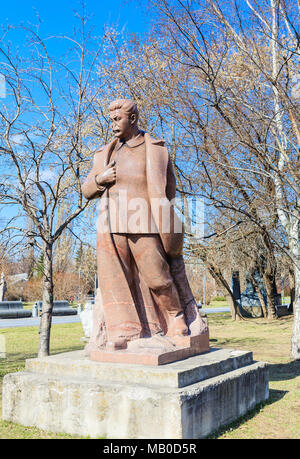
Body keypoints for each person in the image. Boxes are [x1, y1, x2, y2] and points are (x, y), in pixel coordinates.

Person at [82, 99, 207, 352]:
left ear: (133, 118)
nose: (113, 124)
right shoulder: (104, 153)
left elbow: (169, 189)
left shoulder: (156, 149)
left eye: (118, 119)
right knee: (117, 281)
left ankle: (175, 317)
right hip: (111, 225)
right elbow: (86, 190)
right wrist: (100, 178)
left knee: (157, 276)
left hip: (144, 222)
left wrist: (164, 218)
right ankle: (125, 331)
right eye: (111, 120)